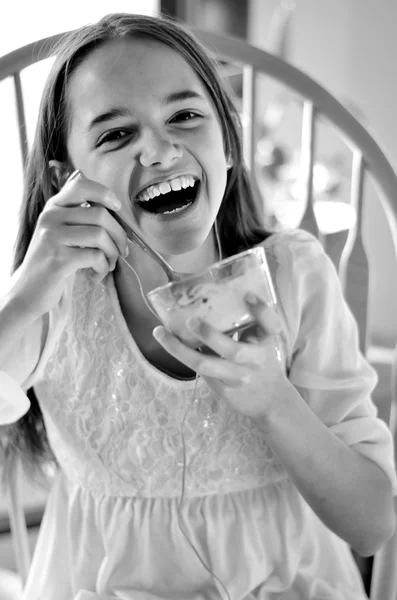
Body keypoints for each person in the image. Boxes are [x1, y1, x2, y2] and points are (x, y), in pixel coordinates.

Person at [0, 12, 396, 600]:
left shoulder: (295, 275)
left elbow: (371, 525)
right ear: (68, 178)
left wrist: (274, 402)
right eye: (115, 134)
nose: (159, 150)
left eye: (184, 116)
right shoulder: (58, 298)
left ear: (229, 143)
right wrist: (26, 291)